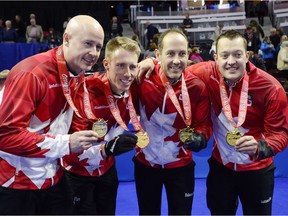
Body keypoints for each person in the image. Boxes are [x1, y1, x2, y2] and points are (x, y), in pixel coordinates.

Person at [139, 29, 288, 215]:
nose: (231, 61)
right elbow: (176, 66)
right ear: (216, 58)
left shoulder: (271, 88)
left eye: (237, 55)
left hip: (257, 170)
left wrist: (262, 146)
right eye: (225, 55)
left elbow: (281, 133)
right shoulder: (206, 73)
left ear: (247, 55)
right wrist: (152, 61)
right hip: (221, 170)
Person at [0, 15, 104, 215]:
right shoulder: (32, 74)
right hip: (16, 184)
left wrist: (150, 62)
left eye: (98, 47)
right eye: (88, 44)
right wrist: (65, 144)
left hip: (53, 178)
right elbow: (5, 136)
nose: (93, 53)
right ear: (66, 39)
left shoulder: (77, 73)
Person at [134, 28, 212, 215]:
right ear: (158, 54)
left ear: (188, 55)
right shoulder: (142, 78)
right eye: (170, 53)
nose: (177, 60)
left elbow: (204, 124)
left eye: (182, 54)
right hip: (146, 164)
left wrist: (201, 138)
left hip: (181, 166)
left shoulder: (196, 86)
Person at [62, 36, 141, 215]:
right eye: (120, 65)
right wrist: (106, 149)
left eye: (133, 66)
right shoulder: (85, 91)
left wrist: (152, 61)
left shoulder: (134, 88)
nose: (128, 74)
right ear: (106, 64)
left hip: (107, 171)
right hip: (77, 174)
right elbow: (72, 149)